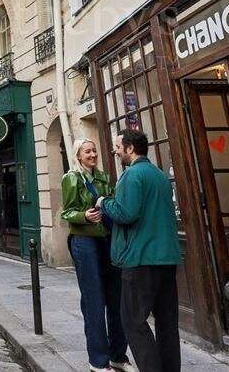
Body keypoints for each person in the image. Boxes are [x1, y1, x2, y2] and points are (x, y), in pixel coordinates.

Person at [97, 129, 182, 372]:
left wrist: (104, 202)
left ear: (130, 148)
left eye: (118, 146)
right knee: (167, 323)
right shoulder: (158, 174)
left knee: (133, 321)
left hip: (140, 258)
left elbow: (126, 213)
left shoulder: (131, 175)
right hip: (166, 257)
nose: (116, 151)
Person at [61, 139, 132, 372]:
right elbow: (67, 212)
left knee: (116, 298)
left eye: (94, 151)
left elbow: (111, 201)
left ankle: (118, 355)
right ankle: (98, 361)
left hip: (107, 238)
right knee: (94, 300)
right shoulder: (71, 178)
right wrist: (84, 216)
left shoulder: (103, 177)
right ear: (78, 156)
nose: (93, 154)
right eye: (87, 151)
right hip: (84, 241)